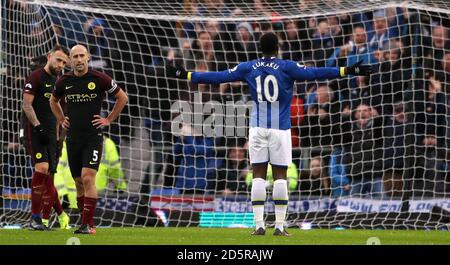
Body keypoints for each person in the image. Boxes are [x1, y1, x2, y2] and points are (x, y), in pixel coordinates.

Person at [166, 32, 372, 236]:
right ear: (278, 48)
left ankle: (258, 225)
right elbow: (317, 73)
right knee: (280, 176)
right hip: (280, 129)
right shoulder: (288, 67)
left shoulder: (248, 67)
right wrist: (348, 70)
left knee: (258, 175)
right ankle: (280, 226)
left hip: (257, 129)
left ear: (260, 48)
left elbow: (219, 76)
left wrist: (187, 75)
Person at [49, 44, 128, 234]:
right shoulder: (64, 81)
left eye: (81, 56)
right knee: (78, 182)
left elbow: (122, 98)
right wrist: (61, 119)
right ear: (70, 60)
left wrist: (108, 119)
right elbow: (53, 100)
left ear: (88, 57)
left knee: (87, 177)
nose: (78, 59)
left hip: (93, 137)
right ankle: (84, 222)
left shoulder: (100, 79)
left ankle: (89, 224)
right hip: (73, 138)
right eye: (74, 56)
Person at [21, 45, 71, 230]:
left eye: (64, 62)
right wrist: (38, 127)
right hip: (36, 130)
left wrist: (59, 137)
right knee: (41, 169)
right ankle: (34, 218)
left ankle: (59, 215)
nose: (61, 65)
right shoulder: (36, 76)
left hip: (52, 133)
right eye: (58, 60)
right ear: (50, 56)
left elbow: (58, 112)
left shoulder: (59, 81)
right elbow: (27, 105)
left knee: (49, 177)